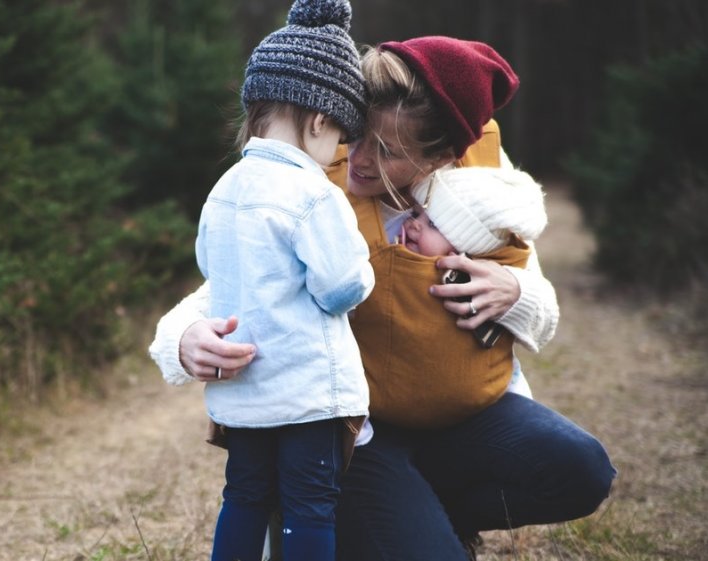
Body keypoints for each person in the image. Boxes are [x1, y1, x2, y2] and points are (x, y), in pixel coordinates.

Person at [149, 35, 616, 560]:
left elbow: (543, 306)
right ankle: (385, 520)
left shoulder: (482, 188)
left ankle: (424, 515)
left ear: (440, 156)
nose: (361, 160)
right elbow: (229, 282)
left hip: (464, 419)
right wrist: (183, 339)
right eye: (359, 137)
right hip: (358, 434)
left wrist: (516, 293)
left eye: (389, 152)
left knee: (583, 470)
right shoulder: (315, 185)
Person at [196, 1, 374, 559]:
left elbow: (210, 267)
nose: (336, 153)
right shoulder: (313, 192)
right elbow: (341, 286)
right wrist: (364, 268)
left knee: (245, 495)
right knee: (310, 504)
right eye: (339, 137)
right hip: (307, 393)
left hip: (243, 392)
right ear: (319, 120)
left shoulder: (224, 188)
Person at [359, 165, 548, 429]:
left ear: (465, 252)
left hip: (483, 403)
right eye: (415, 214)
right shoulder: (381, 247)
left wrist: (518, 291)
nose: (412, 225)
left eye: (433, 225)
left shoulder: (483, 273)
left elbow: (543, 318)